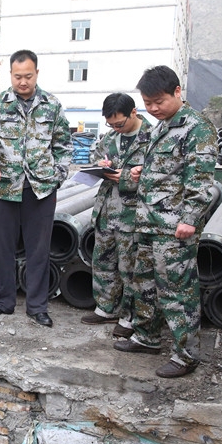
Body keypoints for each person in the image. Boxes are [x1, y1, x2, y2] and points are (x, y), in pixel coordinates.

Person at [113, 66, 217, 378]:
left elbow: (201, 180)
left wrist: (190, 219)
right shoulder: (161, 127)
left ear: (177, 92)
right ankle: (146, 337)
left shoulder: (197, 128)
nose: (153, 108)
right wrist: (139, 172)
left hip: (174, 227)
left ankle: (186, 355)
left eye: (158, 101)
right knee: (143, 283)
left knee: (177, 291)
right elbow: (165, 168)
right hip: (148, 222)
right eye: (147, 103)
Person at [0, 49, 72, 327]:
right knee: (3, 247)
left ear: (37, 74)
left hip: (41, 188)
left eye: (28, 76)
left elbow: (64, 144)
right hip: (4, 186)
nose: (22, 82)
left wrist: (57, 177)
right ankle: (3, 301)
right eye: (17, 76)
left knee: (38, 249)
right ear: (10, 74)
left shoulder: (52, 105)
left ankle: (37, 306)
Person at [81, 93, 151, 338]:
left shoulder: (151, 138)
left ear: (133, 112)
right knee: (103, 261)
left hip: (133, 215)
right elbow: (95, 157)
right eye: (110, 124)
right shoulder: (111, 137)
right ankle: (106, 307)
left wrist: (125, 176)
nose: (115, 128)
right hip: (107, 210)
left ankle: (130, 317)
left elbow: (158, 178)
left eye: (119, 124)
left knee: (130, 268)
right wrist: (101, 164)